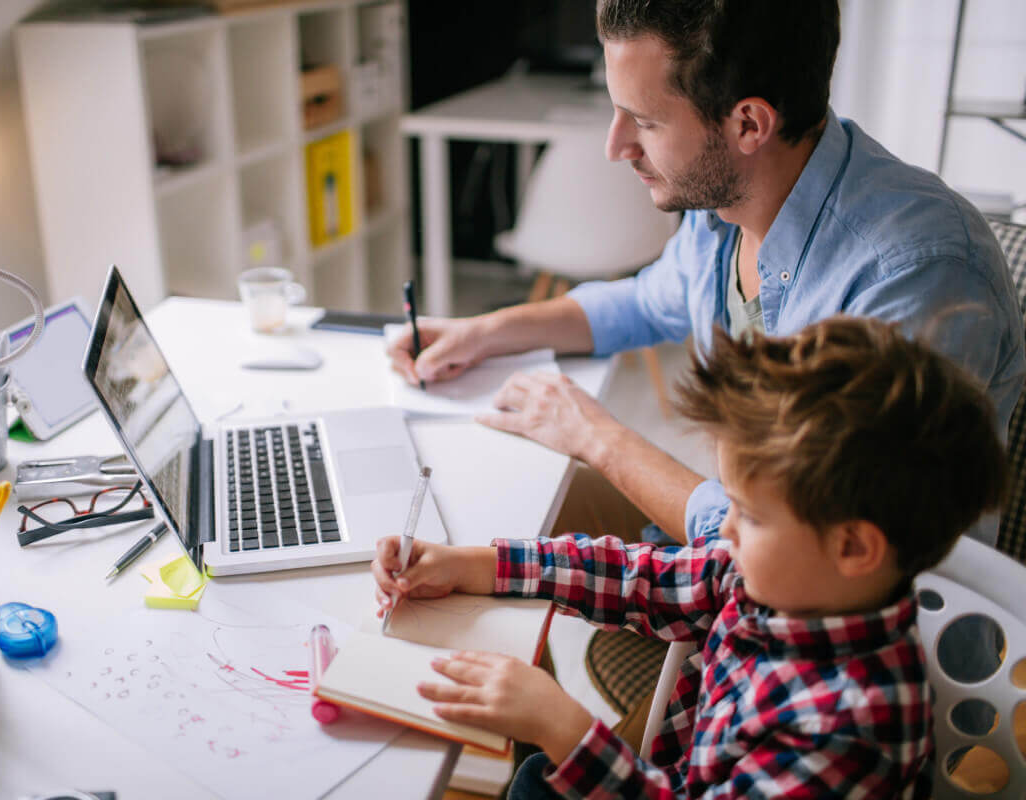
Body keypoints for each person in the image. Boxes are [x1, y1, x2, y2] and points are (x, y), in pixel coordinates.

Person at [388, 0, 1023, 549]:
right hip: (739, 540)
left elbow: (805, 546)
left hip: (840, 636)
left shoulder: (912, 279)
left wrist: (596, 435)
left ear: (748, 123)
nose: (616, 146)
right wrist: (486, 332)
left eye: (644, 120)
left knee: (511, 550)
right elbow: (648, 301)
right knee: (485, 514)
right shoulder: (729, 201)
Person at [372, 316, 1006, 798]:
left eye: (750, 515)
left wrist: (564, 726)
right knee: (541, 776)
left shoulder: (849, 728)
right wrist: (471, 565)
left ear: (853, 547)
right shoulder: (776, 580)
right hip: (671, 773)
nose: (722, 527)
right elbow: (639, 578)